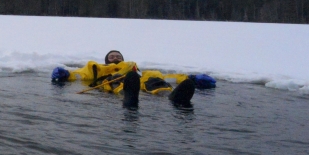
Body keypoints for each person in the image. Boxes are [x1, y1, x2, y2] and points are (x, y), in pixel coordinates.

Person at [51, 49, 213, 108]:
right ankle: (128, 97)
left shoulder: (133, 68)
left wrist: (190, 78)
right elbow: (79, 74)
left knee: (154, 78)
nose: (115, 58)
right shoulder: (97, 69)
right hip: (112, 81)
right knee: (119, 81)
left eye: (118, 56)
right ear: (107, 60)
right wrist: (64, 74)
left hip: (136, 79)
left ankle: (169, 96)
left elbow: (166, 75)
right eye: (112, 56)